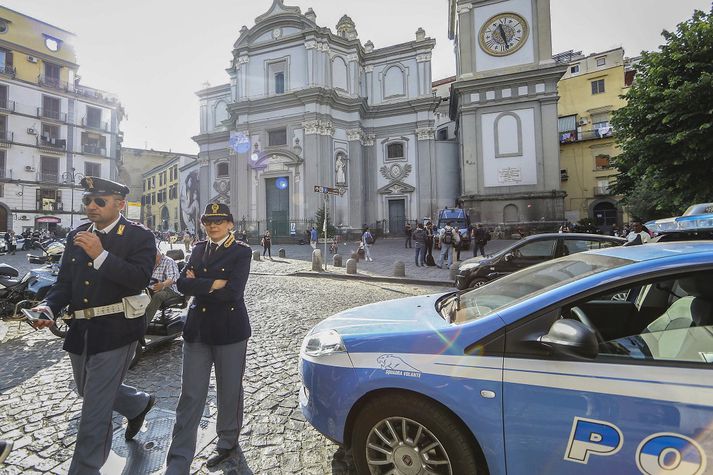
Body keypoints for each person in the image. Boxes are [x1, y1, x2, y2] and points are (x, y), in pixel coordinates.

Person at [31, 176, 157, 474]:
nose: (91, 206)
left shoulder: (138, 236)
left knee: (94, 410)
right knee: (87, 390)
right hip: (81, 330)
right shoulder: (77, 233)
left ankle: (85, 468)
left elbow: (138, 278)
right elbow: (64, 283)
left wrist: (100, 254)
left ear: (120, 204)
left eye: (99, 201)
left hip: (117, 329)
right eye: (87, 200)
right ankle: (137, 404)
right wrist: (48, 305)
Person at [166, 203, 252, 473]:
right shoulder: (199, 248)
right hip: (197, 329)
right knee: (190, 394)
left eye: (219, 220)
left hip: (230, 330)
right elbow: (181, 284)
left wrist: (199, 282)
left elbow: (233, 292)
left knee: (229, 391)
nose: (212, 225)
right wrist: (213, 283)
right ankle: (178, 461)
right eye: (208, 221)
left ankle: (227, 442)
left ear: (230, 224)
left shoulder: (242, 251)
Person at [143, 250, 182, 326]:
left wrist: (163, 284)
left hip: (170, 289)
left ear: (158, 256)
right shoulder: (150, 262)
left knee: (158, 296)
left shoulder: (169, 262)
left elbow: (173, 278)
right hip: (153, 287)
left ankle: (143, 325)